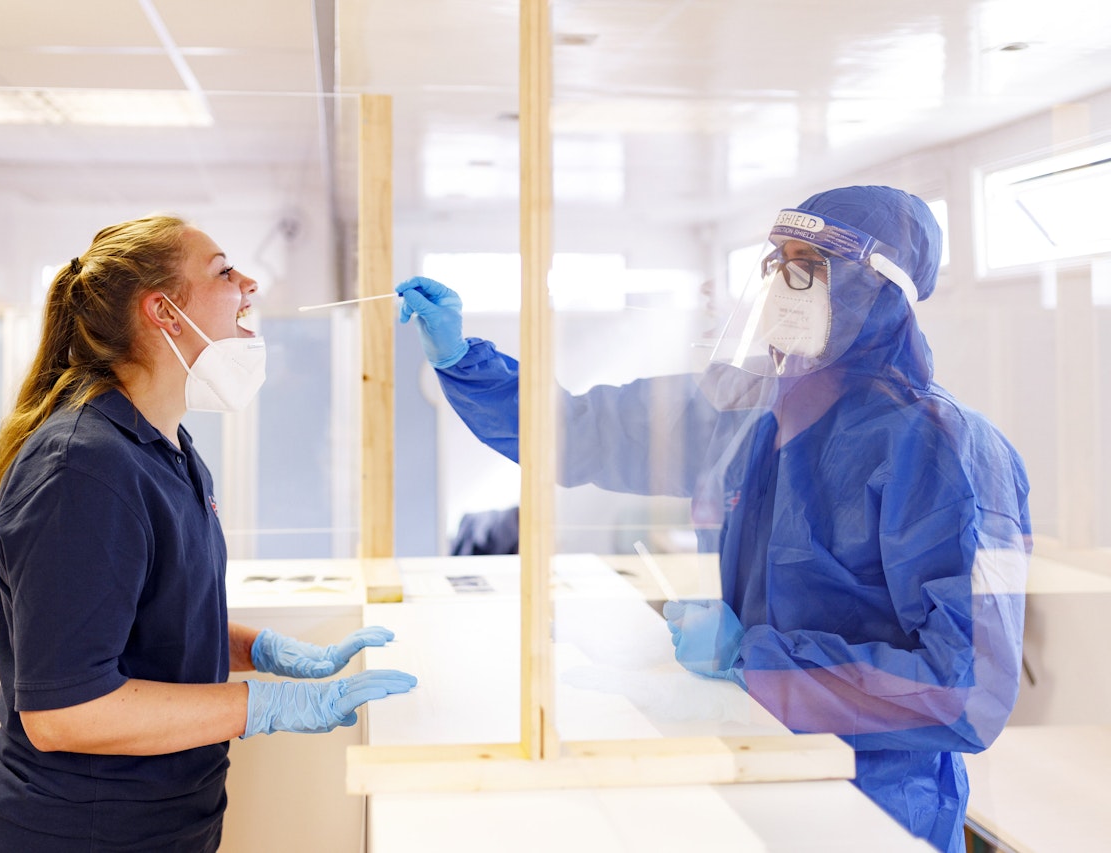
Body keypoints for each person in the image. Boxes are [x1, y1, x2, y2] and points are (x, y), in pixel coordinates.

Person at [395, 185, 1029, 853]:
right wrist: (462, 361)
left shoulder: (945, 450)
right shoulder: (748, 407)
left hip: (876, 806)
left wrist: (751, 657)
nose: (784, 285)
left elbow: (967, 690)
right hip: (750, 766)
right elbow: (581, 430)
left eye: (808, 265)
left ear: (876, 288)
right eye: (778, 262)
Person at [0, 214, 417, 852]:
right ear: (164, 312)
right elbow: (64, 713)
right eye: (224, 271)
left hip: (169, 826)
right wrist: (267, 705)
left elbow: (150, 616)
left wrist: (263, 650)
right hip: (81, 835)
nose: (250, 283)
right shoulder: (81, 469)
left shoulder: (163, 447)